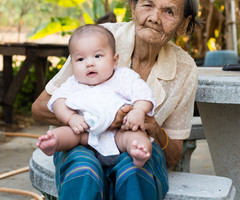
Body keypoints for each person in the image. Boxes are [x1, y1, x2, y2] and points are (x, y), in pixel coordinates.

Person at [32, 0, 200, 199]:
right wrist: (97, 119)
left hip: (135, 150)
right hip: (82, 144)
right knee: (84, 172)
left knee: (134, 171)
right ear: (133, 6)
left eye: (169, 11)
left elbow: (173, 156)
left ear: (183, 23)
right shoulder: (98, 40)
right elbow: (40, 109)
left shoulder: (185, 70)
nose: (154, 18)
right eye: (148, 5)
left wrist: (153, 127)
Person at [37, 24, 155, 168]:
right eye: (80, 59)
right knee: (66, 133)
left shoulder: (124, 77)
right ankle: (53, 144)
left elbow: (143, 94)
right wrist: (71, 118)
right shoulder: (72, 84)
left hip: (118, 134)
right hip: (85, 135)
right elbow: (57, 101)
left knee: (136, 136)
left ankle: (138, 152)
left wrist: (138, 111)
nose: (89, 63)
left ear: (114, 60)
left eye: (98, 56)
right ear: (72, 63)